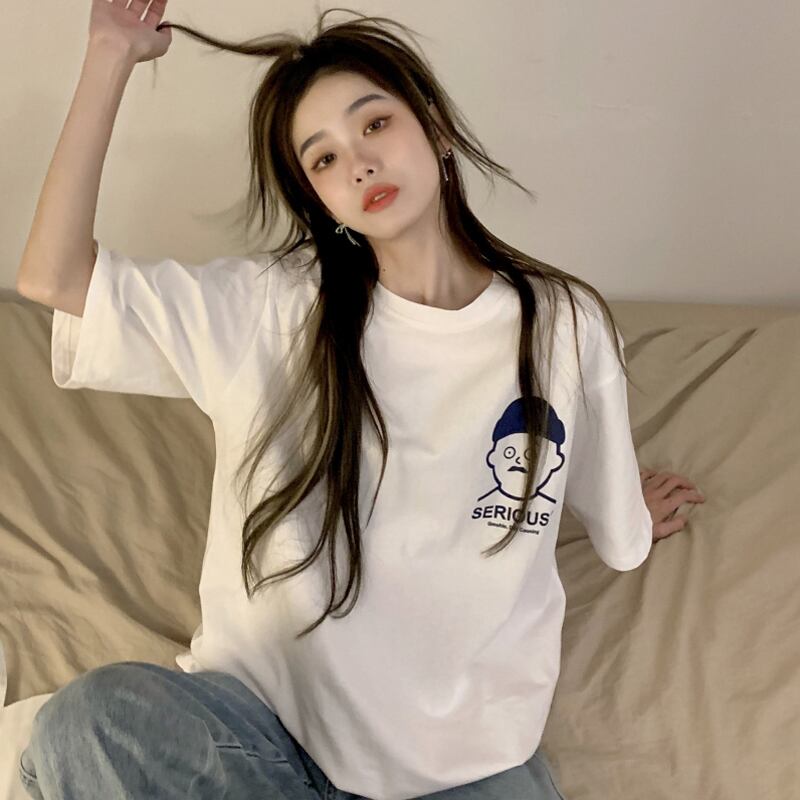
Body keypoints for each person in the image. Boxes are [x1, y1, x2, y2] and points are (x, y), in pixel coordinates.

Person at [16, 2, 704, 799]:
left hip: (463, 762)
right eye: (324, 159)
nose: (360, 164)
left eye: (375, 124)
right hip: (263, 735)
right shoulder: (272, 308)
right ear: (320, 201)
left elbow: (611, 521)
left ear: (435, 128)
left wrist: (627, 507)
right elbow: (53, 277)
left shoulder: (564, 325)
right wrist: (110, 55)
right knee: (88, 725)